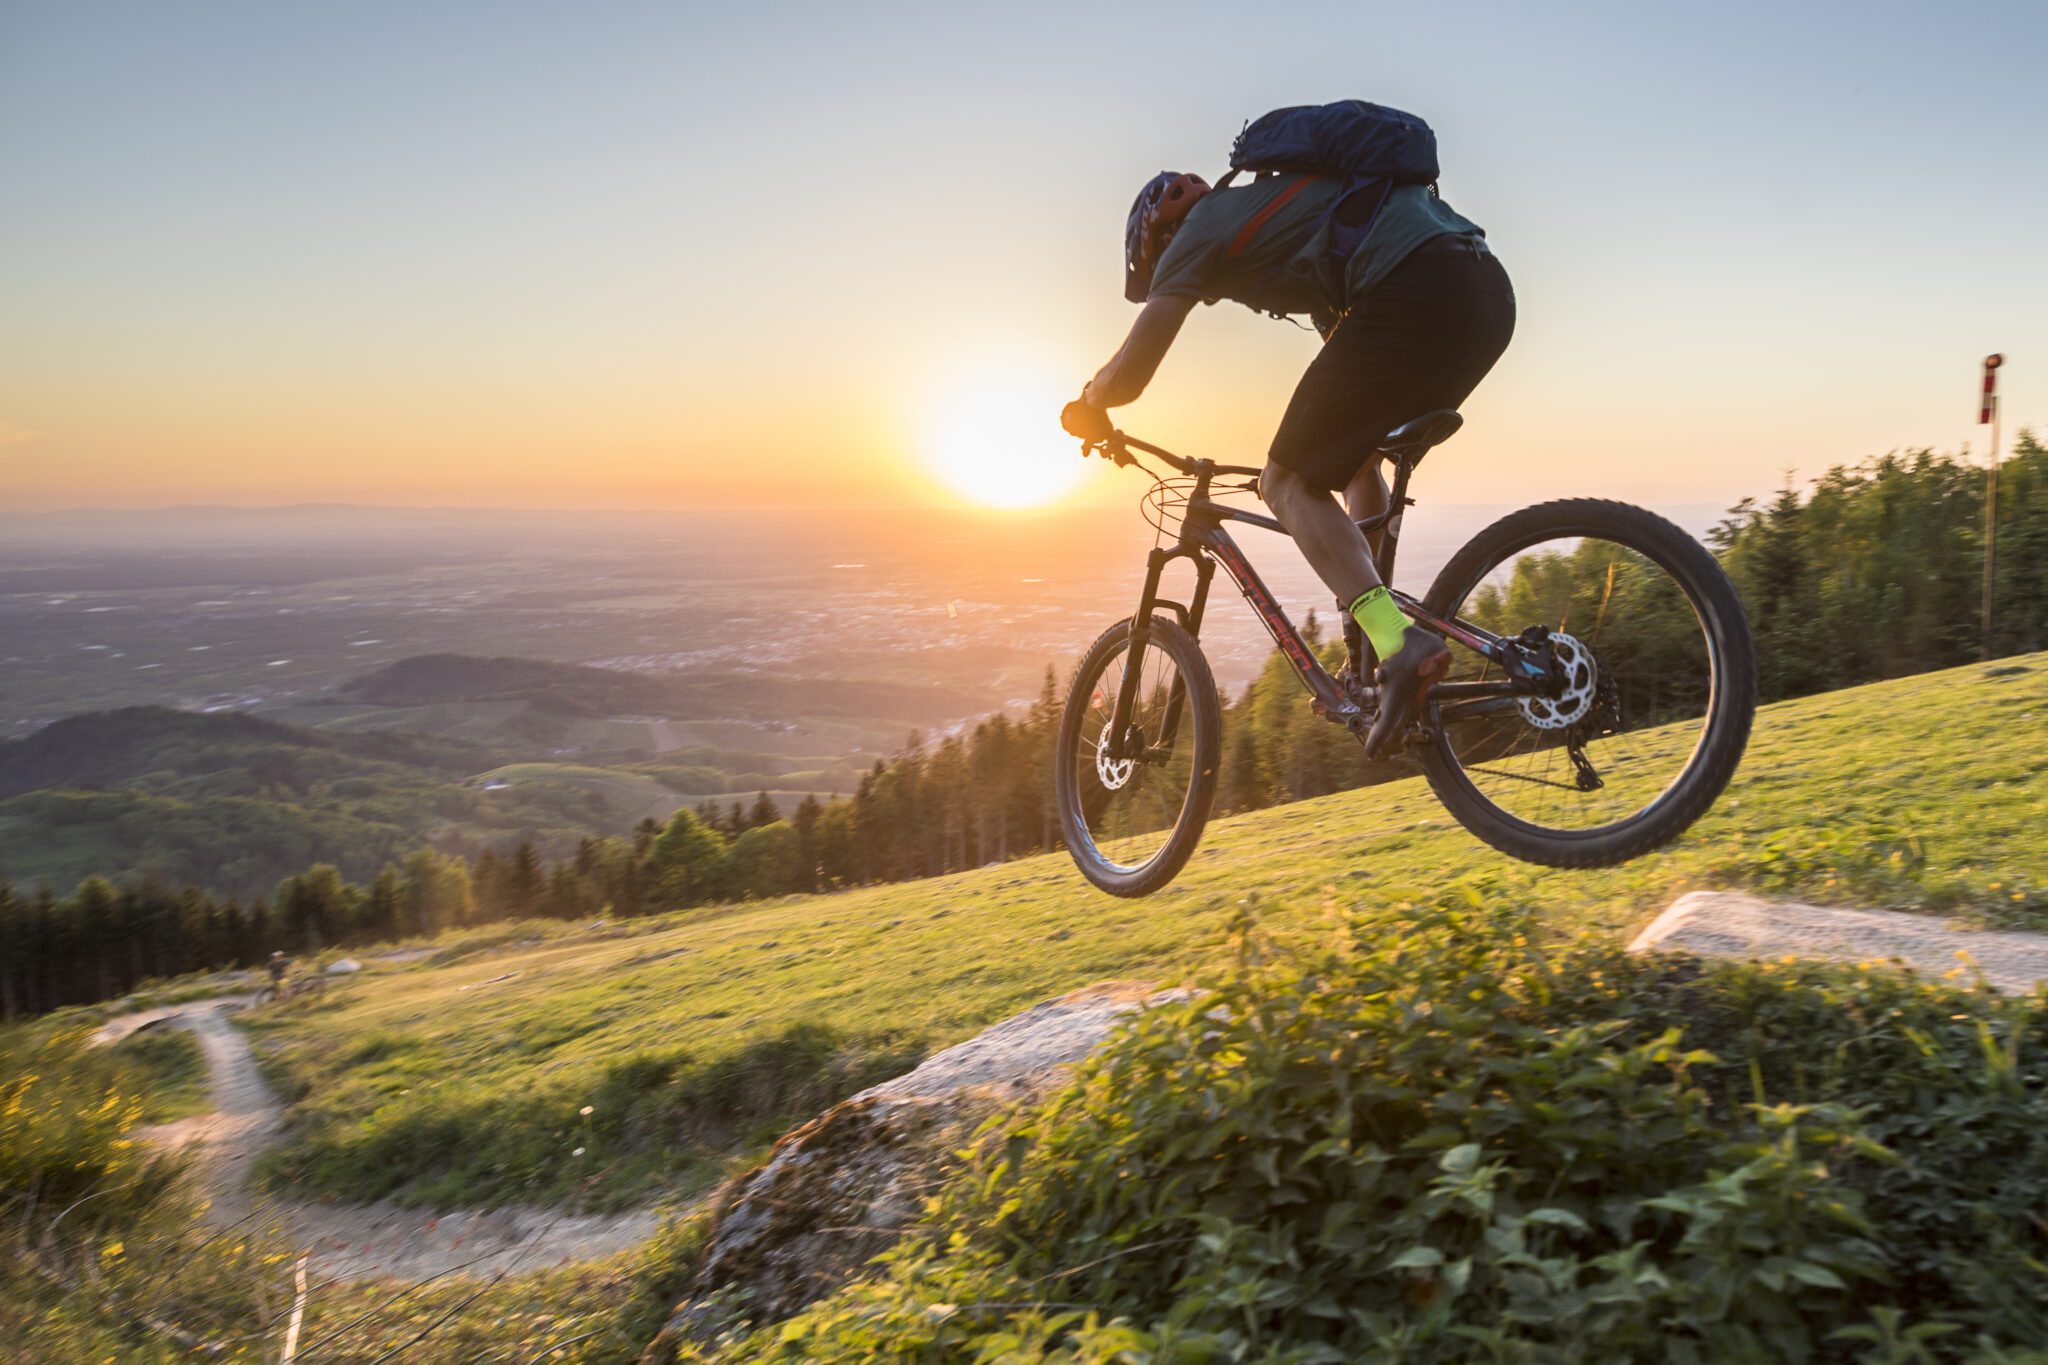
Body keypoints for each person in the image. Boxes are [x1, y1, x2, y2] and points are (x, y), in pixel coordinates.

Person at [1062, 160, 1515, 756]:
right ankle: (1378, 635)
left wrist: (1088, 402)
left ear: (1159, 238)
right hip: (1482, 296)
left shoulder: (1200, 228)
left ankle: (1401, 643)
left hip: (1416, 288)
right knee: (1354, 465)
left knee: (1284, 483)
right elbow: (1347, 358)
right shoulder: (1297, 217)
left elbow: (1132, 372)